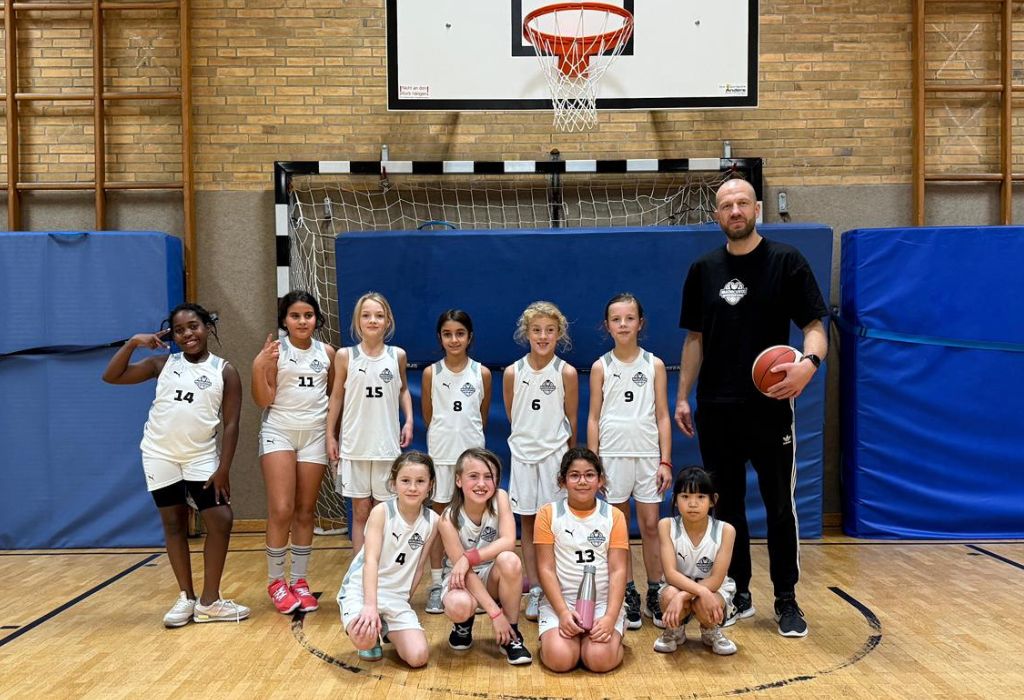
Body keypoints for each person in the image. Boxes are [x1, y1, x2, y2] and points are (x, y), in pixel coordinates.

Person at [675, 178, 828, 638]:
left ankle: (786, 598)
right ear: (716, 215)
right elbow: (695, 339)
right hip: (716, 407)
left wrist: (809, 365)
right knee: (727, 507)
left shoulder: (786, 261)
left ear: (757, 208)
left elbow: (815, 327)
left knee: (780, 505)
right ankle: (739, 591)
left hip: (769, 408)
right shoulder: (702, 269)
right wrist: (682, 395)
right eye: (727, 205)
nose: (735, 211)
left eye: (742, 202)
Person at [102, 303, 250, 626]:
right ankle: (186, 597)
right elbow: (111, 376)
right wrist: (133, 343)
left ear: (207, 327)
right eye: (180, 330)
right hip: (160, 454)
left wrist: (224, 468)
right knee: (173, 524)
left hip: (201, 456)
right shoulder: (162, 364)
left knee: (221, 520)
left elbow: (231, 425)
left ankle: (210, 601)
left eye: (193, 326)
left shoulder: (224, 371)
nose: (188, 334)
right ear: (172, 335)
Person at [587, 293, 672, 630]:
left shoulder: (654, 365)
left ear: (640, 323)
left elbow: (663, 415)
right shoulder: (601, 366)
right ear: (607, 326)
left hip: (648, 455)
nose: (623, 324)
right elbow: (593, 418)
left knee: (650, 526)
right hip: (612, 456)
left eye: (629, 318)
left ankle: (655, 589)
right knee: (619, 529)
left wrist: (665, 461)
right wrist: (594, 464)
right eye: (616, 319)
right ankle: (628, 590)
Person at [252, 291, 336, 614]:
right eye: (295, 316)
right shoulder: (275, 352)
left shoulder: (327, 353)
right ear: (284, 320)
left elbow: (333, 397)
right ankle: (276, 582)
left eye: (308, 315)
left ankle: (299, 580)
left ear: (316, 319)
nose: (302, 321)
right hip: (279, 431)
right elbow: (263, 400)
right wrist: (259, 365)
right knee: (282, 508)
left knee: (305, 510)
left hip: (314, 435)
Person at [503, 301, 578, 621]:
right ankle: (535, 588)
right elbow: (513, 416)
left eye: (549, 330)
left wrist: (568, 463)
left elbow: (571, 420)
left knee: (556, 525)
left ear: (559, 334)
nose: (543, 336)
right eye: (537, 330)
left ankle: (556, 588)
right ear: (527, 333)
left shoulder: (566, 372)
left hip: (554, 457)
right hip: (523, 457)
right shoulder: (512, 372)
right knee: (528, 524)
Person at [327, 292, 414, 554]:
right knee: (361, 512)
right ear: (358, 321)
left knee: (384, 512)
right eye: (366, 315)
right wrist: (330, 435)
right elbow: (336, 396)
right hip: (355, 445)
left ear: (388, 321)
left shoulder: (397, 355)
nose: (372, 320)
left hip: (386, 446)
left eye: (379, 315)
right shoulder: (345, 356)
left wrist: (409, 420)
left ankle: (383, 569)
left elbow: (403, 390)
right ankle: (360, 570)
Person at [337, 451, 439, 665]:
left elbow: (419, 567)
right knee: (364, 639)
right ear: (394, 483)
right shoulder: (381, 512)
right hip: (363, 591)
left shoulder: (433, 521)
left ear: (430, 485)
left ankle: (385, 627)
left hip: (395, 596)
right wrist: (370, 606)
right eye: (405, 480)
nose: (413, 487)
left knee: (418, 657)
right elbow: (370, 561)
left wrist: (403, 601)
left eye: (420, 481)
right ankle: (371, 634)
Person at [422, 310, 491, 615]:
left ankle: (474, 581)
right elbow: (429, 416)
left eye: (460, 333)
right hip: (441, 455)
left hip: (472, 458)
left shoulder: (481, 373)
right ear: (440, 338)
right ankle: (438, 582)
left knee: (473, 521)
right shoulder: (431, 373)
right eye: (448, 334)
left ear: (469, 337)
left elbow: (481, 416)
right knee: (441, 521)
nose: (454, 339)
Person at [534, 447, 626, 673]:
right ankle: (564, 641)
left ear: (600, 480)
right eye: (574, 475)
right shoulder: (547, 514)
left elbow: (618, 570)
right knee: (560, 660)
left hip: (603, 603)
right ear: (562, 481)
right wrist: (563, 613)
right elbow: (545, 569)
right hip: (561, 602)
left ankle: (610, 636)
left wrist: (610, 617)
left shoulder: (614, 516)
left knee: (599, 660)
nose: (582, 481)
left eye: (589, 475)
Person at [439, 448, 532, 665]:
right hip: (462, 580)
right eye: (473, 476)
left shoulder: (500, 498)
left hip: (491, 574)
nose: (481, 484)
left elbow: (508, 541)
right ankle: (463, 624)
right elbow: (467, 573)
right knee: (459, 605)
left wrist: (469, 557)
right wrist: (495, 615)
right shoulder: (447, 519)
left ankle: (511, 634)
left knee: (510, 560)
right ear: (459, 480)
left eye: (488, 477)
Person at [653, 467, 738, 656]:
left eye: (701, 497)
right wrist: (686, 594)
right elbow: (670, 574)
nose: (692, 503)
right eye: (685, 496)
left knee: (704, 599)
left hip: (711, 591)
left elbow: (716, 580)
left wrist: (686, 595)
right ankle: (674, 630)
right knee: (670, 594)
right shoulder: (666, 525)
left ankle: (710, 630)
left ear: (713, 500)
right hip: (676, 588)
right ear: (675, 500)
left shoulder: (726, 531)